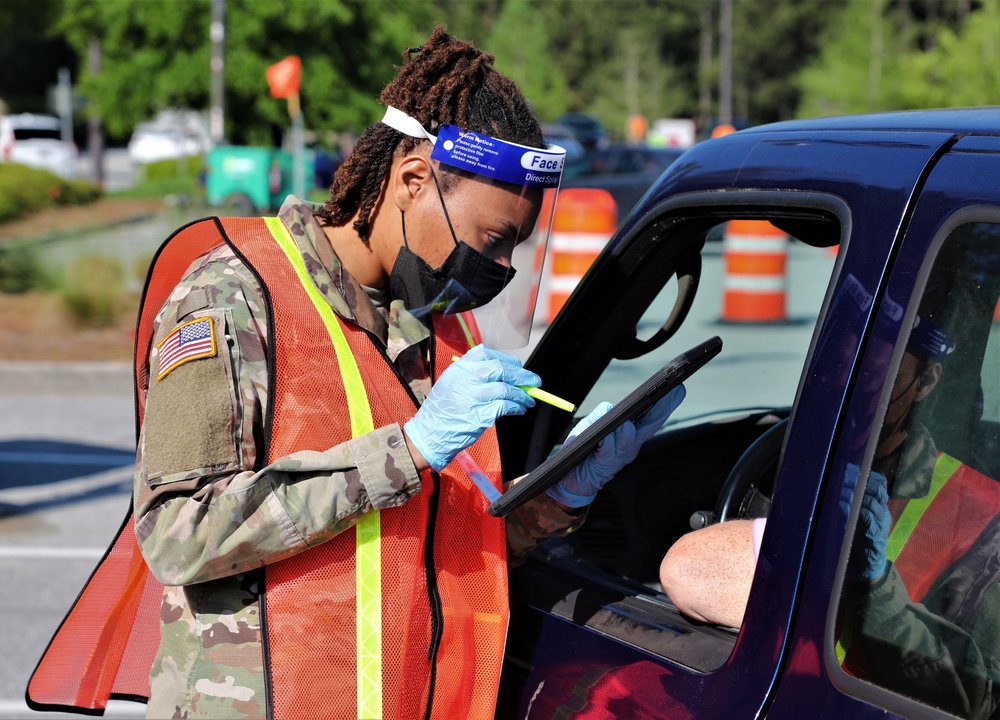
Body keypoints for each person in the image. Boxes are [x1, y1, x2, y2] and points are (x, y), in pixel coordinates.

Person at [129, 28, 683, 720]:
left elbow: (443, 543)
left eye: (515, 248)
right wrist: (407, 451)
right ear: (413, 179)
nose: (500, 269)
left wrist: (559, 495)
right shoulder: (235, 297)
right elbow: (179, 533)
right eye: (491, 241)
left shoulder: (433, 328)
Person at [661, 301, 1000, 717]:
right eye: (848, 360)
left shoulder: (984, 519)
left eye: (883, 367)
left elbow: (976, 701)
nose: (857, 384)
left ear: (926, 380)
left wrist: (876, 587)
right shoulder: (797, 460)